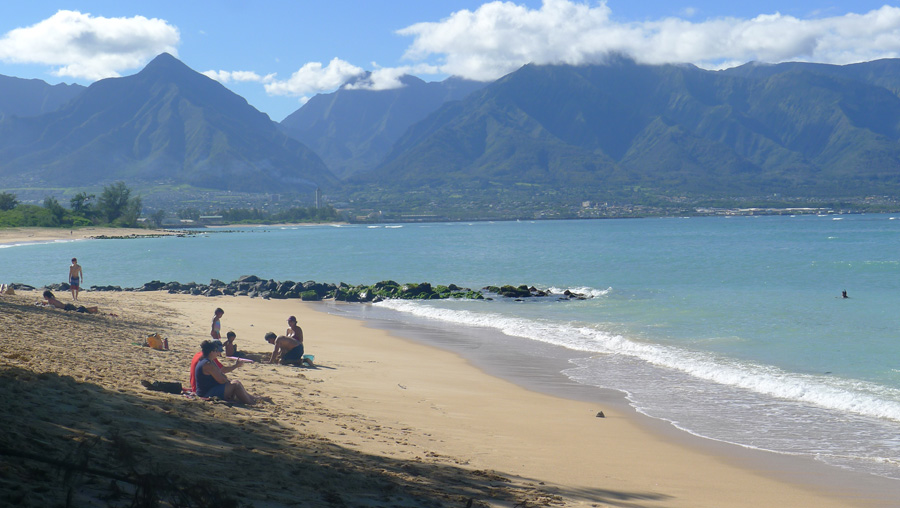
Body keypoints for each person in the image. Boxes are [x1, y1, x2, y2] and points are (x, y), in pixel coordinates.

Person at [194, 340, 264, 404]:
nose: (217, 353)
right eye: (216, 351)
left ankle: (254, 399)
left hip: (210, 389)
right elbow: (222, 380)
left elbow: (220, 374)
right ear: (211, 352)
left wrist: (225, 378)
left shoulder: (208, 361)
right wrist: (225, 378)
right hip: (206, 393)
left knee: (235, 382)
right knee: (236, 385)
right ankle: (251, 403)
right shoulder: (208, 364)